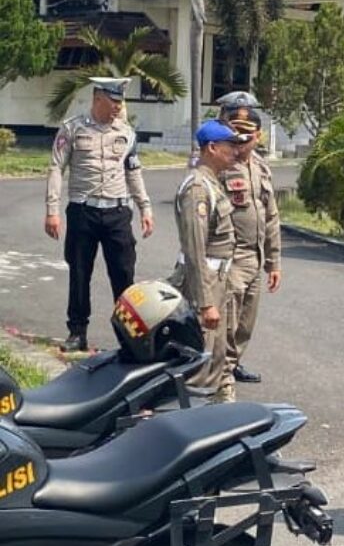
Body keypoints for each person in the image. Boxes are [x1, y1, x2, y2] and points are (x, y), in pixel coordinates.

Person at [44, 76, 154, 352]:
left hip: (117, 211)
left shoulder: (126, 132)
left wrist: (145, 207)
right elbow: (57, 167)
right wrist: (52, 210)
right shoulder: (72, 129)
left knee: (124, 276)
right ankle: (77, 332)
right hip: (83, 211)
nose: (118, 107)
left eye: (120, 102)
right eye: (113, 101)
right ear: (97, 98)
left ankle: (128, 337)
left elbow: (133, 171)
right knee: (80, 273)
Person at [169, 119, 248, 403]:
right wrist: (205, 302)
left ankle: (211, 411)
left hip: (218, 281)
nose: (236, 152)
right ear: (212, 148)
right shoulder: (198, 189)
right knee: (198, 356)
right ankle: (186, 416)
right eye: (230, 146)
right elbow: (195, 250)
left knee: (216, 353)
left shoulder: (213, 184)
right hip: (202, 283)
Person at [217, 92, 282, 386]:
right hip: (230, 255)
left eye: (249, 135)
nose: (243, 142)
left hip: (254, 255)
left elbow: (271, 216)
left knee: (246, 320)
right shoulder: (216, 164)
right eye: (237, 134)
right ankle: (220, 371)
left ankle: (234, 363)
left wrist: (274, 261)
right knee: (225, 320)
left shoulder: (260, 166)